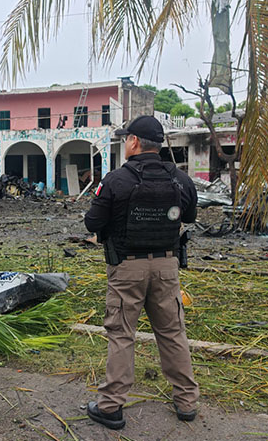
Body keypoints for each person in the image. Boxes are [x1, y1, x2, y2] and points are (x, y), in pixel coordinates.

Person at [83, 115, 199, 430]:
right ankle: (187, 402)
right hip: (166, 267)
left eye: (126, 139)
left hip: (126, 268)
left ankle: (111, 407)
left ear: (134, 141)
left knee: (121, 334)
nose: (125, 143)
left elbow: (93, 223)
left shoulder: (115, 180)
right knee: (173, 333)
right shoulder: (181, 179)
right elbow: (189, 215)